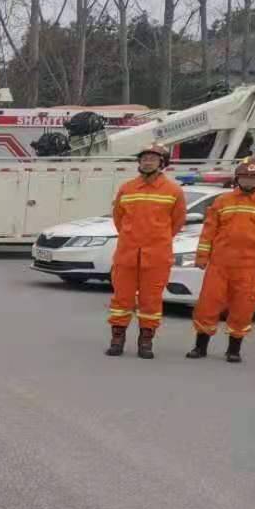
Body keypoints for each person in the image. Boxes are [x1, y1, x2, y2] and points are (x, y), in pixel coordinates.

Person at [106, 143, 187, 359]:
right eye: (144, 158)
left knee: (151, 301)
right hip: (127, 254)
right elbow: (118, 218)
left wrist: (157, 240)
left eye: (152, 158)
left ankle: (146, 341)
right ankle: (117, 338)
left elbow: (177, 222)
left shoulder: (174, 191)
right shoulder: (127, 188)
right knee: (121, 299)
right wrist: (130, 238)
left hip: (157, 256)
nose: (147, 161)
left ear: (162, 163)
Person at [186, 154, 255, 364]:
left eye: (254, 177)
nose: (249, 180)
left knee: (243, 309)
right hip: (219, 265)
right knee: (207, 305)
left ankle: (234, 350)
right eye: (245, 177)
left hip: (251, 267)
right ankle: (200, 347)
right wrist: (202, 256)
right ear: (238, 179)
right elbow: (209, 231)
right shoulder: (222, 201)